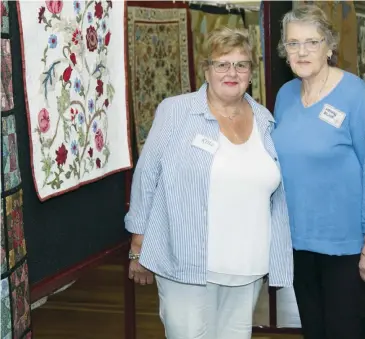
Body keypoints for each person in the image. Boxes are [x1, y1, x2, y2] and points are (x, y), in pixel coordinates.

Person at [125, 27, 293, 339]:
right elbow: (146, 177)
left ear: (251, 73)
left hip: (247, 265)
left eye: (241, 65)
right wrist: (138, 244)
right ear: (207, 69)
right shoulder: (176, 111)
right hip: (187, 261)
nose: (232, 72)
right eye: (222, 64)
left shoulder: (264, 120)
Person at [272, 4, 365, 339]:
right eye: (293, 44)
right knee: (314, 329)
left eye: (312, 42)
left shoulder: (356, 95)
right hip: (297, 240)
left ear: (330, 46)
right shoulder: (285, 96)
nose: (302, 51)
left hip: (347, 245)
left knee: (346, 330)